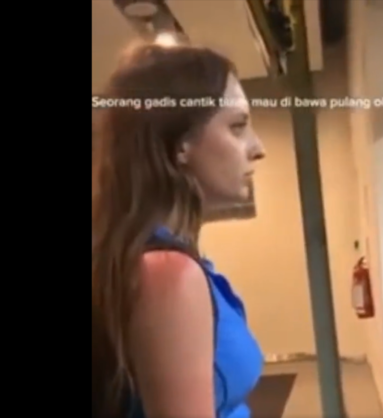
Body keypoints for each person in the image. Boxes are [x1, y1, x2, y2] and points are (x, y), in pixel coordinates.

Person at [91, 42, 266, 418]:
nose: (257, 147)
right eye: (237, 127)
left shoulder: (165, 259)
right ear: (180, 143)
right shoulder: (167, 274)